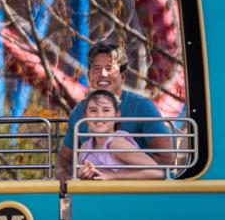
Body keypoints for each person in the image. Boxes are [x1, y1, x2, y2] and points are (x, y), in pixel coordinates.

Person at [55, 41, 173, 181]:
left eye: (109, 68)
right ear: (89, 75)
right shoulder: (79, 114)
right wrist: (74, 181)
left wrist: (117, 177)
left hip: (138, 194)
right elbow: (64, 161)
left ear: (122, 76)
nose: (102, 74)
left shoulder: (142, 108)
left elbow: (166, 160)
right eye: (96, 69)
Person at [76, 89, 163, 179]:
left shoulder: (116, 144)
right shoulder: (85, 146)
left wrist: (113, 176)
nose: (99, 115)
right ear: (85, 117)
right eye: (93, 110)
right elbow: (77, 177)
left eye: (106, 110)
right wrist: (81, 174)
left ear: (117, 116)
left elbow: (157, 172)